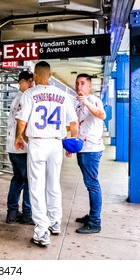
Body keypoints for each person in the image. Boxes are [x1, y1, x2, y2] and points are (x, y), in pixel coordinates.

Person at [14, 61, 79, 247]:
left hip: (38, 143)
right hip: (56, 144)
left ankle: (42, 231)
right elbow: (74, 124)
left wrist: (18, 137)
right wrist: (72, 143)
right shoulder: (64, 95)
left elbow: (22, 122)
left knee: (36, 187)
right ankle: (55, 222)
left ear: (34, 75)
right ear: (50, 76)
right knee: (53, 184)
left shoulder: (29, 94)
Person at [71, 73, 106, 234]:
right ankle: (91, 216)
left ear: (89, 86)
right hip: (82, 149)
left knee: (92, 185)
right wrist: (71, 146)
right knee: (89, 184)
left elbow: (102, 115)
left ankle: (95, 222)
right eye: (77, 83)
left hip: (92, 150)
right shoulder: (77, 103)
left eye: (83, 83)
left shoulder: (93, 100)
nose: (79, 86)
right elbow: (76, 125)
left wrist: (86, 102)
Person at [5, 70, 34, 224]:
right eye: (29, 81)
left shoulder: (17, 98)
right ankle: (27, 214)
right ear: (21, 82)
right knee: (29, 180)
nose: (32, 84)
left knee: (17, 179)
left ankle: (12, 213)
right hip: (20, 146)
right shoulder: (25, 98)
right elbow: (22, 123)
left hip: (13, 146)